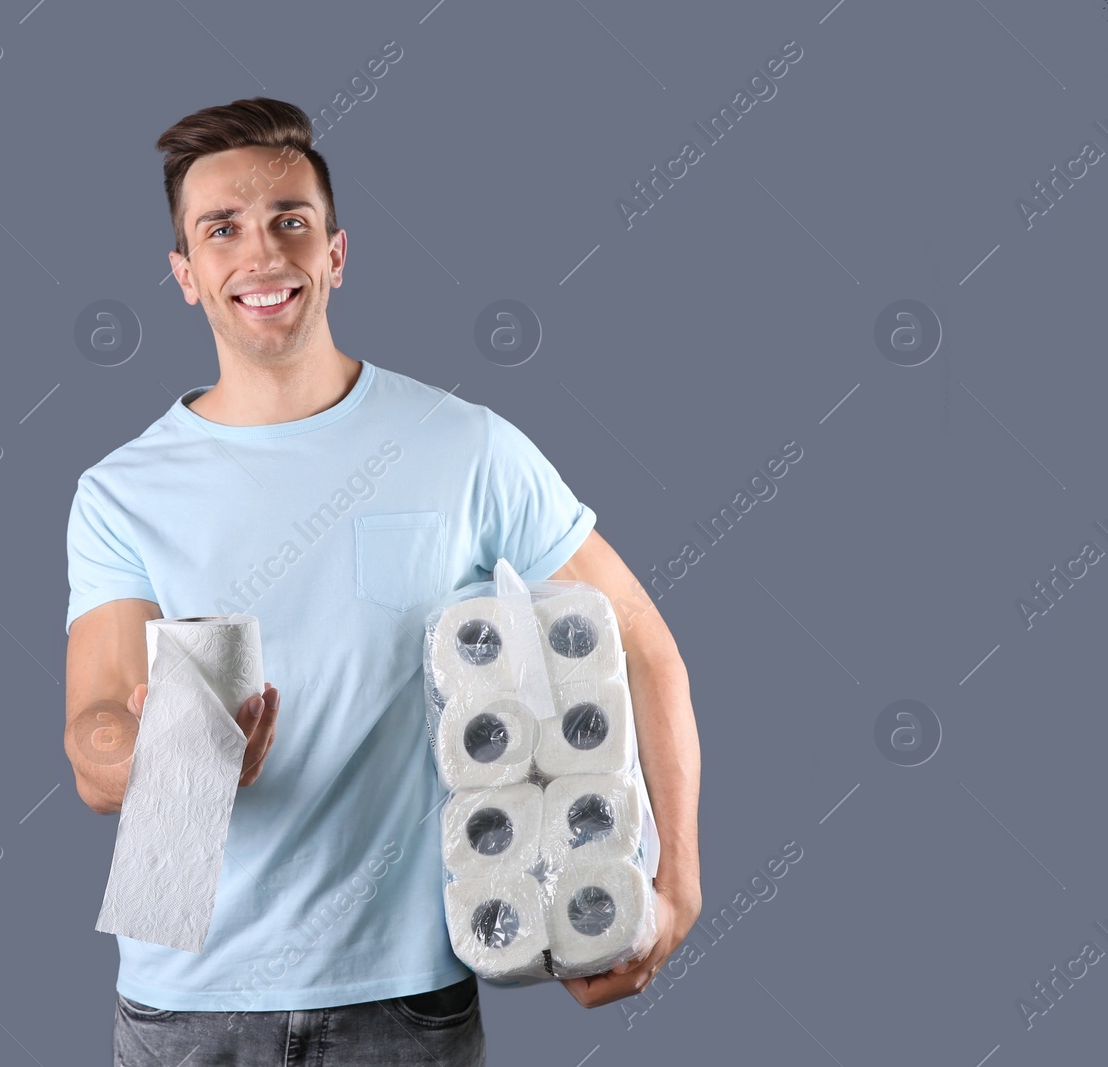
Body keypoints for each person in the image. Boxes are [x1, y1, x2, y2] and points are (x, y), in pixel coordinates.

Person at [64, 96, 702, 1066]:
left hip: (400, 996)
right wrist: (170, 754)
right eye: (220, 228)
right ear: (184, 275)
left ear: (335, 252)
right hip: (185, 994)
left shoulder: (460, 445)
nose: (262, 252)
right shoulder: (123, 489)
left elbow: (643, 647)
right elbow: (95, 732)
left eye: (290, 219)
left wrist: (678, 883)